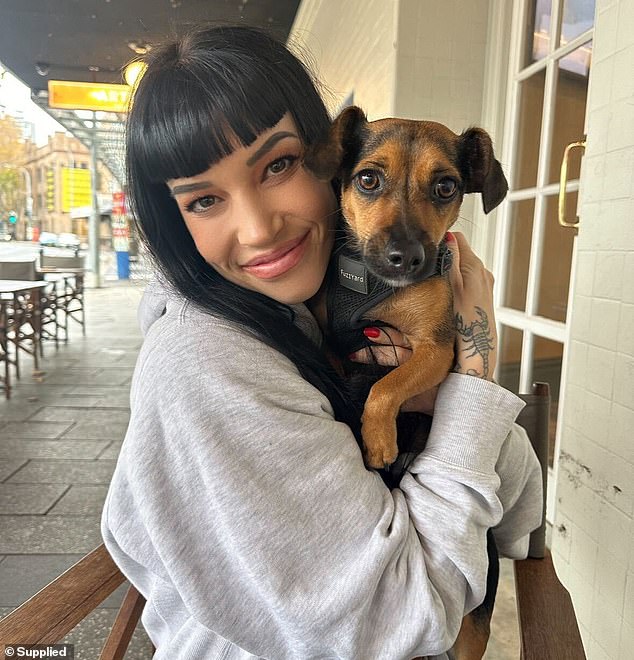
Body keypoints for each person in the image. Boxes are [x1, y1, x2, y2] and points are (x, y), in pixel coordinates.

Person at [101, 24, 542, 660]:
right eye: (203, 200)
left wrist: (444, 384)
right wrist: (472, 373)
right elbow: (399, 620)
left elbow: (518, 505)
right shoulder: (203, 366)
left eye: (278, 165)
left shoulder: (313, 307)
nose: (258, 228)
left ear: (321, 156)